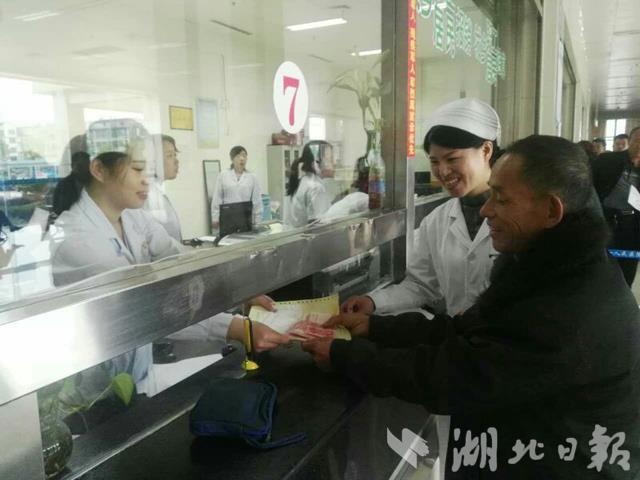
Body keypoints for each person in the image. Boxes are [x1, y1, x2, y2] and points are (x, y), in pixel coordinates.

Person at [304, 135, 640, 479]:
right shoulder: (547, 267)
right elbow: (474, 328)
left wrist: (345, 356)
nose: (486, 210)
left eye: (502, 200)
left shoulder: (569, 305)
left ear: (551, 210)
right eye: (435, 162)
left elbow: (455, 376)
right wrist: (376, 328)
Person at [49, 148, 289, 390]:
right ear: (99, 169)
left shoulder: (133, 217)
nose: (147, 179)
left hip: (136, 371)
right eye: (138, 169)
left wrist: (235, 294)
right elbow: (148, 309)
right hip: (97, 390)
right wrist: (234, 326)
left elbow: (180, 261)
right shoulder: (77, 238)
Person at [342, 98, 500, 318]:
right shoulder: (436, 221)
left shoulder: (519, 216)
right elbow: (421, 286)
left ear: (486, 150)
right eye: (434, 161)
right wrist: (373, 302)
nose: (442, 171)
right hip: (458, 336)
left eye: (452, 159)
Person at [591, 126, 640, 285]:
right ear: (630, 141)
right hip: (605, 220)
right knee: (599, 263)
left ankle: (622, 293)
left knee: (627, 267)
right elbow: (588, 185)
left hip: (632, 226)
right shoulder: (608, 160)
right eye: (638, 141)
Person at [211, 146, 263, 229]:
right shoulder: (223, 175)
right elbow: (217, 198)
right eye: (238, 156)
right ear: (232, 159)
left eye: (244, 156)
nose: (242, 159)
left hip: (245, 218)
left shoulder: (252, 177)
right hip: (227, 217)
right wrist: (215, 218)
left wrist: (257, 222)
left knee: (245, 236)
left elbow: (257, 201)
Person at [284, 141, 333, 228]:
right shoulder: (316, 188)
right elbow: (319, 227)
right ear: (315, 163)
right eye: (330, 159)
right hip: (305, 236)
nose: (334, 163)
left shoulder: (302, 181)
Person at [144, 134, 182, 241]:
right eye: (169, 156)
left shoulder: (157, 191)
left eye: (175, 155)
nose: (176, 161)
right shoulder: (146, 196)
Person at [52, 135, 90, 216]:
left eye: (86, 166)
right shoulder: (64, 185)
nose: (84, 169)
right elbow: (60, 209)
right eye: (80, 166)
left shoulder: (94, 183)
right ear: (72, 166)